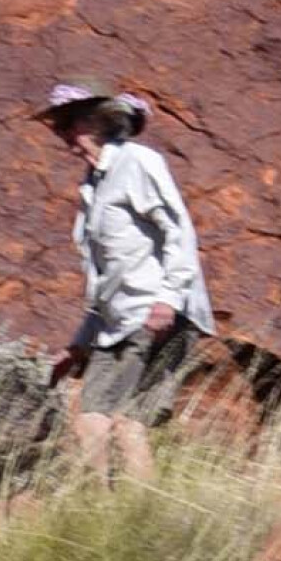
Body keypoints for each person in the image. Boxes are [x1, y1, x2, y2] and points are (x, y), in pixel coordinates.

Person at [43, 77, 213, 487]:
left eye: (68, 123)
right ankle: (126, 514)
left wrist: (167, 299)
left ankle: (104, 512)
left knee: (109, 421)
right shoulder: (92, 187)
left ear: (96, 121)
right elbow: (104, 277)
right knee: (116, 423)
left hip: (154, 312)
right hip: (118, 323)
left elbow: (178, 231)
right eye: (58, 126)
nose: (62, 134)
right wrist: (80, 342)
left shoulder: (137, 162)